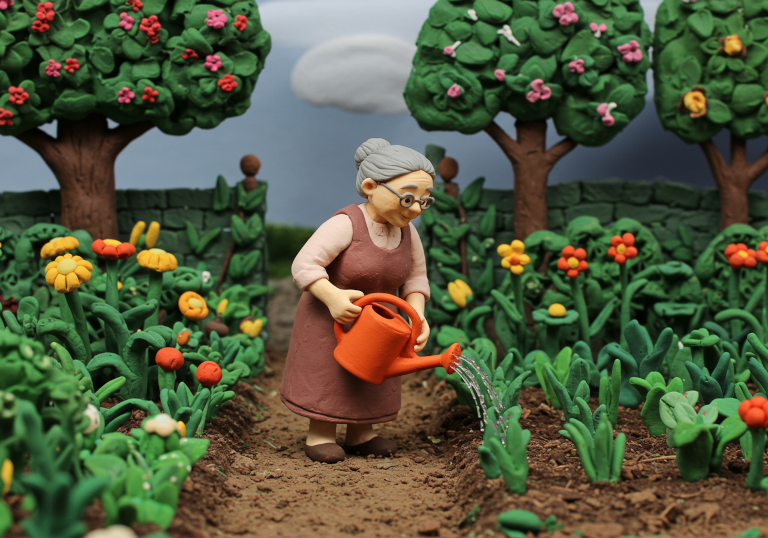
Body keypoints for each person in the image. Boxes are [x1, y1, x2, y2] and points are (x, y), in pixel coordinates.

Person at [280, 138, 435, 463]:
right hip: (332, 318)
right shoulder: (345, 224)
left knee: (371, 374)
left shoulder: (408, 233)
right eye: (408, 198)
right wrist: (333, 297)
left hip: (382, 323)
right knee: (329, 374)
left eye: (425, 201)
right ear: (370, 187)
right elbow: (304, 265)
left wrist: (417, 315)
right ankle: (321, 432)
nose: (416, 209)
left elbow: (416, 279)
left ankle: (361, 432)